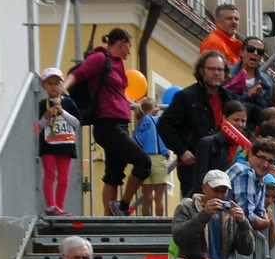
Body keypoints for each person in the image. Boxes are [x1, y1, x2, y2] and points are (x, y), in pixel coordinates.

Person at [66, 28, 145, 215]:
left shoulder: (117, 64)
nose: (130, 51)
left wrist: (132, 104)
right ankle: (123, 207)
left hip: (120, 124)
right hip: (108, 124)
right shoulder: (101, 57)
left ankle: (110, 218)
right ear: (122, 42)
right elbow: (79, 73)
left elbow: (115, 92)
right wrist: (62, 87)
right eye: (129, 46)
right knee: (143, 163)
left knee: (113, 176)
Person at [159, 52, 233, 200]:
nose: (217, 73)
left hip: (219, 161)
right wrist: (182, 150)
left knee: (219, 207)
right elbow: (164, 124)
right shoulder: (186, 96)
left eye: (220, 69)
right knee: (195, 205)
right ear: (202, 71)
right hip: (193, 163)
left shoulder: (229, 97)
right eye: (212, 69)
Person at [36, 66, 81, 216]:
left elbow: (76, 123)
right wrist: (46, 116)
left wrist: (62, 112)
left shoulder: (68, 102)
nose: (54, 86)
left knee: (63, 178)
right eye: (50, 83)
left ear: (62, 84)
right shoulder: (43, 104)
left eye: (57, 83)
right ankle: (51, 206)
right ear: (43, 86)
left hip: (66, 145)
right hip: (48, 145)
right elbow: (37, 128)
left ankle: (60, 208)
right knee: (49, 176)